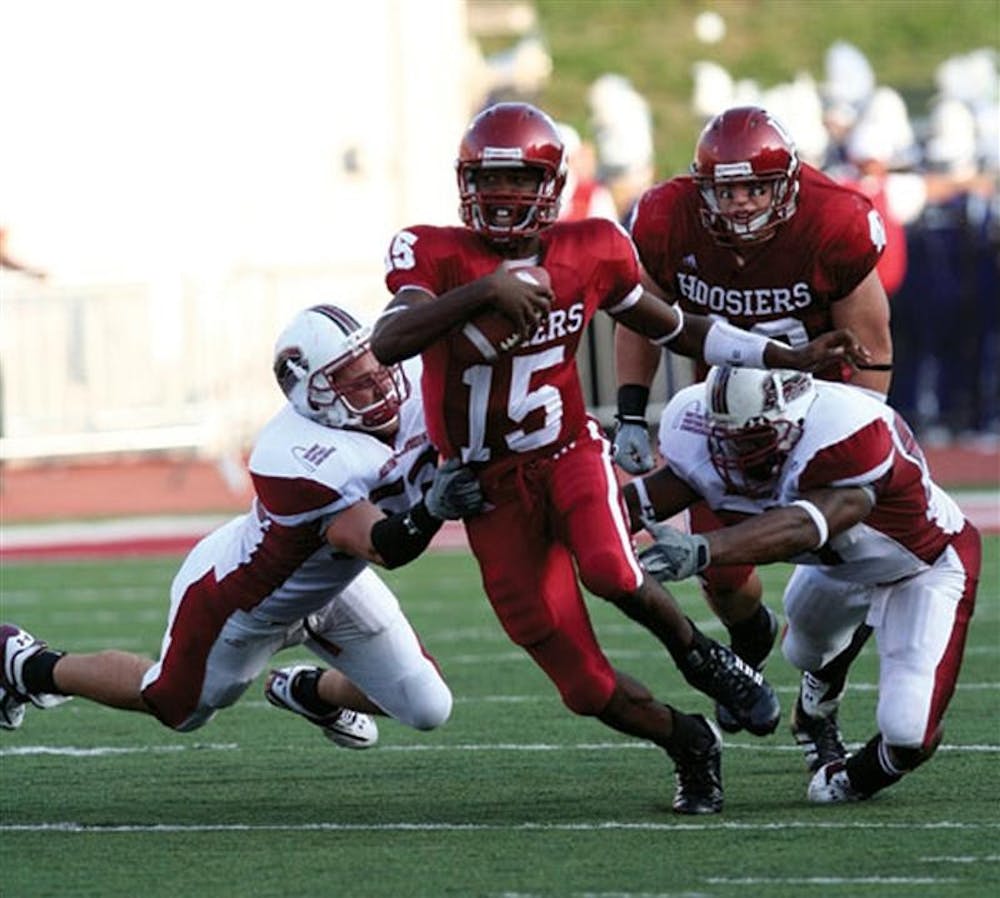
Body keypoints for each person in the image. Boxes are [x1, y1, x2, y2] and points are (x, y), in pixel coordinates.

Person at [372, 101, 869, 814]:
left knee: (609, 566)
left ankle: (706, 658)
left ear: (552, 182)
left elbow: (678, 327)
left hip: (567, 452)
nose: (505, 194)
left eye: (521, 177)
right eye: (491, 178)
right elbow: (388, 341)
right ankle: (688, 743)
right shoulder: (432, 251)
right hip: (487, 490)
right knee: (580, 685)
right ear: (464, 182)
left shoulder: (593, 246)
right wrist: (486, 288)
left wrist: (788, 354)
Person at [0, 304, 479, 747]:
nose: (377, 383)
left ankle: (310, 691)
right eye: (353, 379)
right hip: (241, 602)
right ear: (315, 398)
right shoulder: (294, 456)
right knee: (176, 707)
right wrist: (434, 508)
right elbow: (384, 546)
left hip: (336, 587)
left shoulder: (416, 380)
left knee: (426, 707)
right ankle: (28, 664)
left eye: (375, 363)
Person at [613, 105, 894, 750]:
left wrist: (850, 443)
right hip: (727, 416)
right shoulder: (665, 217)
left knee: (852, 574)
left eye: (755, 188)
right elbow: (641, 315)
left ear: (787, 185)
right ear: (701, 187)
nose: (740, 204)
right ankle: (748, 646)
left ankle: (821, 693)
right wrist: (630, 411)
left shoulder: (835, 220)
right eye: (726, 189)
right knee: (724, 575)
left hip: (823, 408)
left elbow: (872, 353)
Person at [622, 366, 979, 803]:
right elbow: (649, 498)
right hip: (840, 564)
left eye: (753, 440)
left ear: (793, 420)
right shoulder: (693, 424)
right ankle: (815, 709)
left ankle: (852, 777)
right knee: (803, 651)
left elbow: (806, 526)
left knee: (909, 732)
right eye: (727, 440)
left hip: (920, 566)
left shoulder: (849, 431)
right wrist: (579, 527)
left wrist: (702, 548)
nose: (737, 455)